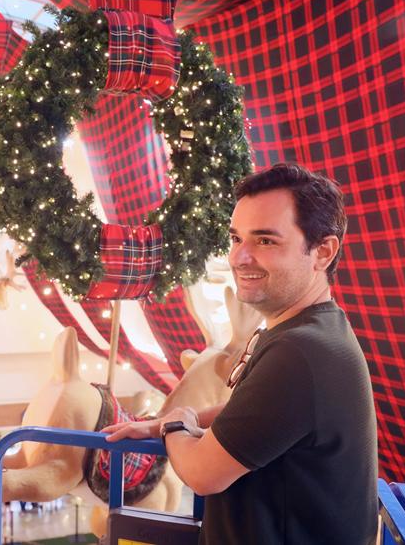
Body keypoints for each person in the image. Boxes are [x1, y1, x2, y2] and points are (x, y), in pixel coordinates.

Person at [104, 163, 378, 544]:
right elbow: (253, 413)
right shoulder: (314, 330)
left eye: (265, 241)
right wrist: (161, 422)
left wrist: (175, 423)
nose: (239, 257)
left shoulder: (300, 353)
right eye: (236, 238)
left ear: (323, 252)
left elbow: (202, 473)